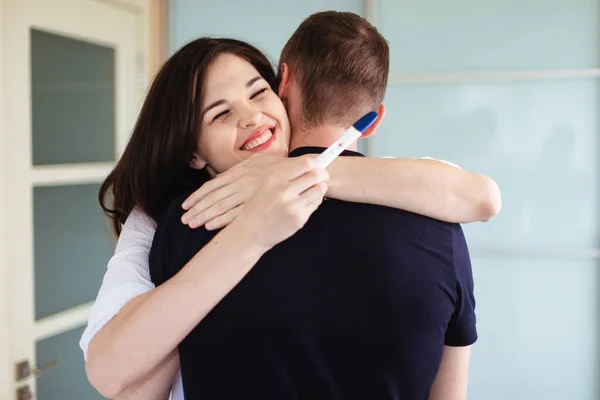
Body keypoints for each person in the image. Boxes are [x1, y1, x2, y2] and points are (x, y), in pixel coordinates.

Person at [81, 20, 499, 400]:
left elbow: (482, 197)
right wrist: (252, 231)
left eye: (257, 92)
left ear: (283, 88)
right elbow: (124, 383)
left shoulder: (417, 193)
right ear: (192, 153)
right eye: (220, 113)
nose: (251, 116)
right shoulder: (177, 220)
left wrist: (295, 171)